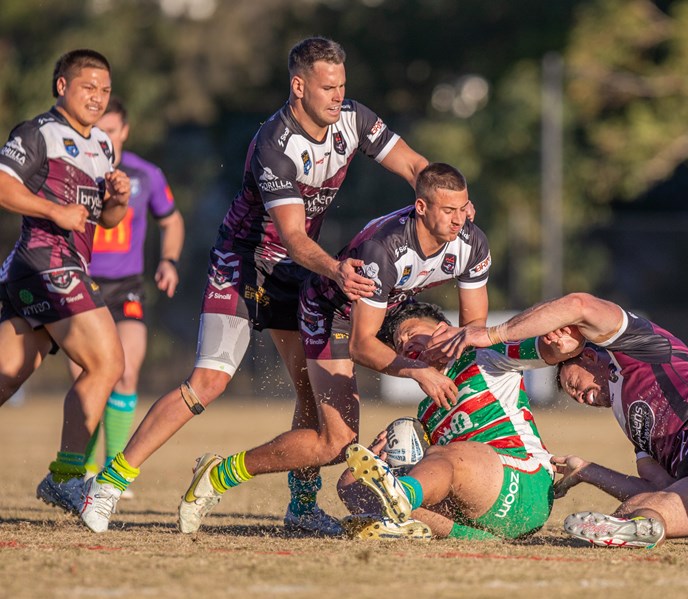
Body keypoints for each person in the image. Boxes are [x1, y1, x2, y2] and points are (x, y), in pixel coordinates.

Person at [80, 37, 429, 534]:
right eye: (328, 88)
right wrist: (335, 271)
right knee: (209, 382)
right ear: (298, 86)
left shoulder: (354, 120)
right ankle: (110, 483)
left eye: (343, 86)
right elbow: (292, 236)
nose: (338, 97)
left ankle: (302, 508)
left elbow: (417, 168)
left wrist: (447, 200)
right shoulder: (274, 143)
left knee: (311, 395)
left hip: (298, 271)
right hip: (242, 266)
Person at [170, 163, 491, 536]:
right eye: (448, 211)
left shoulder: (471, 242)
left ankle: (302, 507)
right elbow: (362, 345)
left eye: (463, 208)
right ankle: (221, 473)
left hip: (386, 310)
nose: (459, 220)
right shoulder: (384, 249)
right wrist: (419, 370)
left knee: (320, 421)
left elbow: (473, 329)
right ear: (421, 207)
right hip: (329, 314)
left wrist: (449, 347)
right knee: (336, 442)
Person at [423, 292, 688, 548]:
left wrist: (492, 335)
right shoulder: (631, 426)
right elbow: (658, 485)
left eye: (578, 386)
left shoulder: (634, 342)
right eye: (578, 398)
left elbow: (578, 305)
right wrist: (588, 471)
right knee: (637, 508)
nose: (584, 399)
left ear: (587, 356)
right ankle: (638, 534)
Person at [0, 49, 130, 512]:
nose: (97, 97)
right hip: (46, 261)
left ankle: (66, 475)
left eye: (105, 90)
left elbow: (108, 221)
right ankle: (67, 476)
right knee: (107, 362)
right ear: (62, 87)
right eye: (87, 87)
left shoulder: (102, 146)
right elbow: (3, 184)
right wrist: (55, 211)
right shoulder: (38, 133)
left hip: (51, 267)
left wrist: (118, 198)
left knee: (7, 376)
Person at [336, 301, 573, 540]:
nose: (405, 344)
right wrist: (384, 459)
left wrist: (560, 346)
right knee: (351, 483)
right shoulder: (425, 411)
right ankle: (468, 535)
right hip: (478, 510)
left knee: (447, 454)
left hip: (526, 489)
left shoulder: (484, 355)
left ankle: (402, 497)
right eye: (399, 345)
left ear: (442, 329)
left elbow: (550, 351)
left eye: (411, 333)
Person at [66, 97, 185, 486]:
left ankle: (112, 469)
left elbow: (171, 220)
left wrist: (169, 261)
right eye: (99, 130)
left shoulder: (145, 174)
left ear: (125, 132)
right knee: (88, 375)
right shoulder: (74, 171)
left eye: (113, 131)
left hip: (127, 289)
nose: (106, 138)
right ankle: (77, 471)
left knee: (126, 372)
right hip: (80, 287)